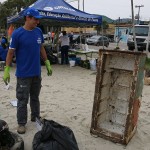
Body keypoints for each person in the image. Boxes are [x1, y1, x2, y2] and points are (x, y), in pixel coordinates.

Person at [3, 8, 52, 134]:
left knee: (35, 98)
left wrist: (46, 62)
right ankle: (21, 123)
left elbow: (41, 47)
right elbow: (10, 52)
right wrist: (7, 69)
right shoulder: (17, 34)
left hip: (36, 73)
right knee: (22, 100)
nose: (37, 21)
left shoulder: (38, 31)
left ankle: (35, 117)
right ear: (28, 18)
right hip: (23, 74)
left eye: (38, 19)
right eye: (35, 19)